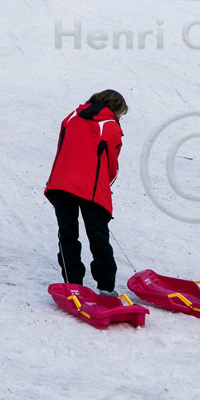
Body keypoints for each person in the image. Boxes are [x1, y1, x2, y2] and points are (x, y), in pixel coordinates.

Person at [44, 90, 127, 293]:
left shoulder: (71, 116)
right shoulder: (110, 126)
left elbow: (62, 148)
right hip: (91, 188)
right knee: (98, 237)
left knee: (67, 235)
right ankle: (106, 287)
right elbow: (111, 163)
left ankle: (72, 284)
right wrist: (104, 184)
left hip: (61, 184)